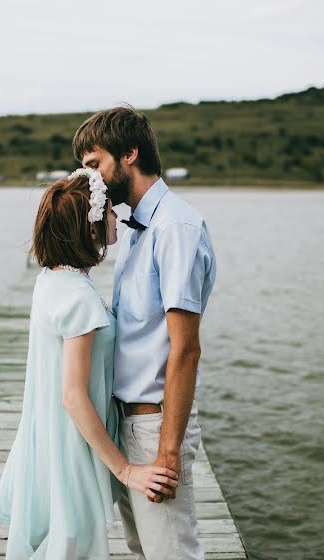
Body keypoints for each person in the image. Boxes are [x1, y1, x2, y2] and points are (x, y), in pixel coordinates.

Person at [0, 167, 179, 559]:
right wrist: (125, 470)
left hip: (52, 437)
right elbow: (74, 396)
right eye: (108, 210)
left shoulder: (52, 280)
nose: (115, 216)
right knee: (75, 543)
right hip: (75, 447)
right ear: (89, 227)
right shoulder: (78, 299)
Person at [73, 106, 217, 560]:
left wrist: (169, 450)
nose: (89, 177)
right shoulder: (136, 227)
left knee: (172, 554)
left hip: (155, 427)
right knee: (142, 551)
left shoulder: (174, 227)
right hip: (124, 421)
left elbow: (186, 348)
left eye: (94, 163)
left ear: (129, 153)